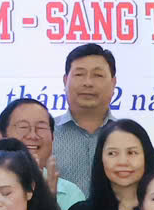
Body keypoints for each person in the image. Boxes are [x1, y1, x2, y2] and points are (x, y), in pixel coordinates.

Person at [65, 117, 154, 210]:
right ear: (100, 159)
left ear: (147, 157)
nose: (122, 162)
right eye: (112, 153)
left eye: (132, 153)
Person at [51, 43, 120, 190]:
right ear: (65, 81)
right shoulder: (45, 134)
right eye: (79, 74)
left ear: (113, 83)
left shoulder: (129, 135)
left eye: (98, 75)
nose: (88, 83)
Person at [0, 97, 83, 210]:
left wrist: (49, 202)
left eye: (41, 128)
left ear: (53, 137)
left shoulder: (70, 193)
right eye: (23, 127)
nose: (33, 135)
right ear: (1, 136)